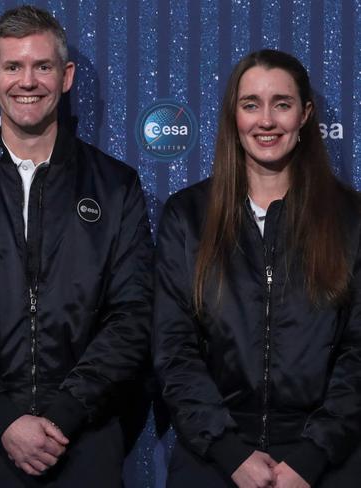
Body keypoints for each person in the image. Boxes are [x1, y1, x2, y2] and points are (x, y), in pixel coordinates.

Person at [0, 5, 153, 487]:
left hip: (84, 438)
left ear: (65, 77)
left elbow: (132, 316)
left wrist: (64, 414)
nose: (28, 81)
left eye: (42, 66)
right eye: (13, 66)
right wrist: (4, 418)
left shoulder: (115, 186)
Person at [154, 49, 361, 488]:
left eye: (281, 104)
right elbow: (174, 350)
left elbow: (357, 353)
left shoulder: (351, 219)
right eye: (251, 104)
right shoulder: (188, 216)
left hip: (325, 461)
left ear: (304, 115)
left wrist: (312, 457)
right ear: (234, 114)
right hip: (213, 458)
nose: (266, 120)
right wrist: (231, 453)